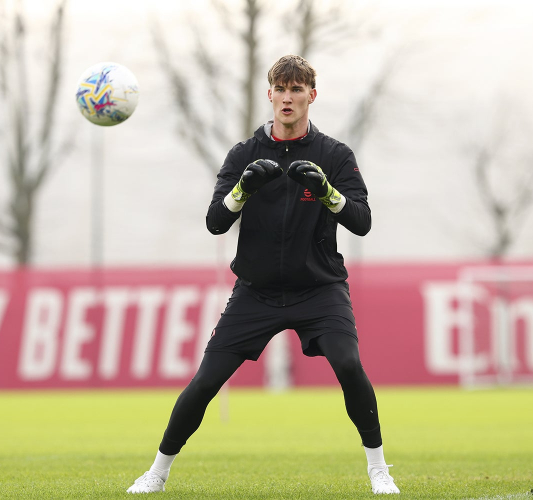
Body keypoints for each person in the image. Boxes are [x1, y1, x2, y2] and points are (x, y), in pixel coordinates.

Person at [126, 55, 400, 495]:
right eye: (281, 89)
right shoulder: (244, 154)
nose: (288, 97)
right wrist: (242, 190)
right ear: (269, 94)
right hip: (256, 292)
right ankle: (156, 473)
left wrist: (327, 191)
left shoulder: (334, 155)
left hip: (319, 289)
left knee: (349, 364)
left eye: (297, 89)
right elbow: (216, 222)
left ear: (312, 95)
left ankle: (379, 470)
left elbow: (362, 221)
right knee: (206, 381)